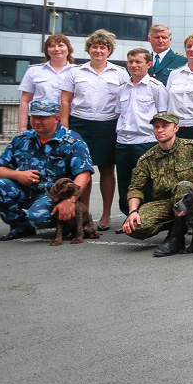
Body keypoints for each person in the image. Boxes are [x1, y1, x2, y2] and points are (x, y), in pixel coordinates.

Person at [0, 100, 93, 241]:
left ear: (56, 118)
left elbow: (84, 174)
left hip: (56, 195)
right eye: (34, 117)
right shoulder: (22, 139)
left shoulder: (72, 141)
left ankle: (66, 223)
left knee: (38, 217)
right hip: (27, 191)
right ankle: (21, 226)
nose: (37, 121)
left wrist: (70, 201)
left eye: (43, 117)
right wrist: (18, 175)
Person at [121, 112, 193, 257]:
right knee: (134, 227)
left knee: (183, 187)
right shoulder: (148, 158)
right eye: (156, 126)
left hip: (190, 201)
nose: (160, 130)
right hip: (166, 203)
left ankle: (176, 237)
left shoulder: (192, 147)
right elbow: (136, 187)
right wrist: (132, 212)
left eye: (165, 126)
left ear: (176, 128)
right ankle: (174, 224)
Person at [60, 29, 128, 232]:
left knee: (107, 169)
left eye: (103, 47)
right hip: (80, 125)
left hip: (107, 125)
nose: (98, 50)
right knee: (83, 170)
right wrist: (65, 127)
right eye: (94, 46)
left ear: (109, 51)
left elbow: (126, 100)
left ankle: (106, 214)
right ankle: (85, 212)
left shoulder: (119, 73)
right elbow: (65, 100)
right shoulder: (75, 72)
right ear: (88, 49)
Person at [114, 48, 168, 226]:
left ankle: (148, 218)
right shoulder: (122, 88)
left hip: (146, 142)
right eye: (130, 62)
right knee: (125, 182)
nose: (133, 65)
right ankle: (129, 216)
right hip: (123, 142)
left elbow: (163, 117)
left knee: (149, 183)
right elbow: (118, 114)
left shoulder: (156, 88)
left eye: (138, 62)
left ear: (149, 64)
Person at [17, 32, 74, 133]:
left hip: (69, 120)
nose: (56, 49)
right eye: (52, 46)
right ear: (47, 51)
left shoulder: (78, 72)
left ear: (68, 49)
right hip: (39, 120)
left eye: (61, 45)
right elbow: (25, 101)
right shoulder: (34, 71)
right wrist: (22, 128)